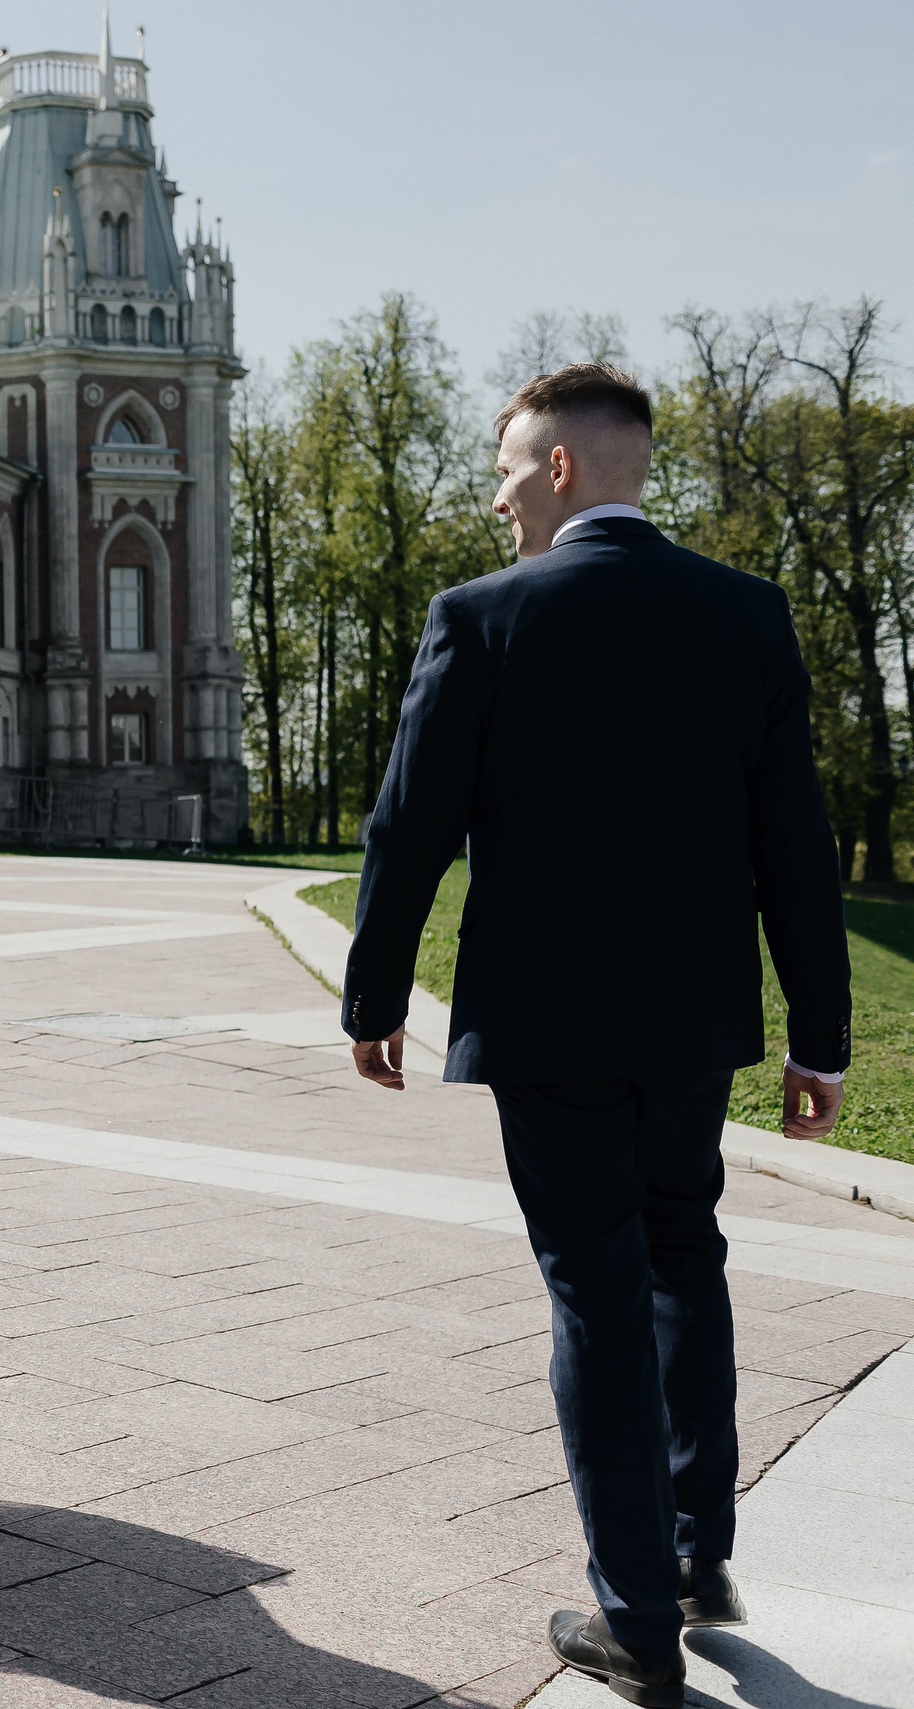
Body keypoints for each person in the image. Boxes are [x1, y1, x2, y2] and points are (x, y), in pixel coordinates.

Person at [342, 364, 852, 1707]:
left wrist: (376, 996)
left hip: (548, 1020)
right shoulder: (745, 615)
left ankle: (636, 1617)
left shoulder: (483, 617)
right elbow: (796, 848)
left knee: (594, 1284)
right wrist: (822, 1037)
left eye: (511, 472)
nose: (501, 497)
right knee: (686, 1248)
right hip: (697, 1020)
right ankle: (694, 1562)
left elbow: (411, 830)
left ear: (561, 469)